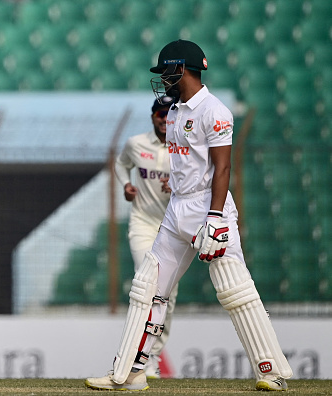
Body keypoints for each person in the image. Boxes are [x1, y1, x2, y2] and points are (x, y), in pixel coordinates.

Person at [85, 39, 292, 392]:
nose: (162, 78)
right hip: (177, 208)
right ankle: (130, 373)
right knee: (149, 288)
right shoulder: (176, 111)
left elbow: (222, 167)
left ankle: (270, 371)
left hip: (208, 209)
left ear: (182, 68)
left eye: (166, 70)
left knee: (234, 289)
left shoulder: (215, 110)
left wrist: (215, 217)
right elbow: (186, 163)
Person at [114, 96, 175, 379]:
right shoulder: (136, 143)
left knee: (167, 294)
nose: (164, 118)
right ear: (153, 117)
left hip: (173, 227)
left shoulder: (185, 149)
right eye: (160, 113)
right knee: (146, 283)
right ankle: (138, 358)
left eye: (169, 113)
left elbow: (207, 176)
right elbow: (120, 163)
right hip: (143, 223)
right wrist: (126, 184)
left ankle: (152, 355)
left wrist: (177, 182)